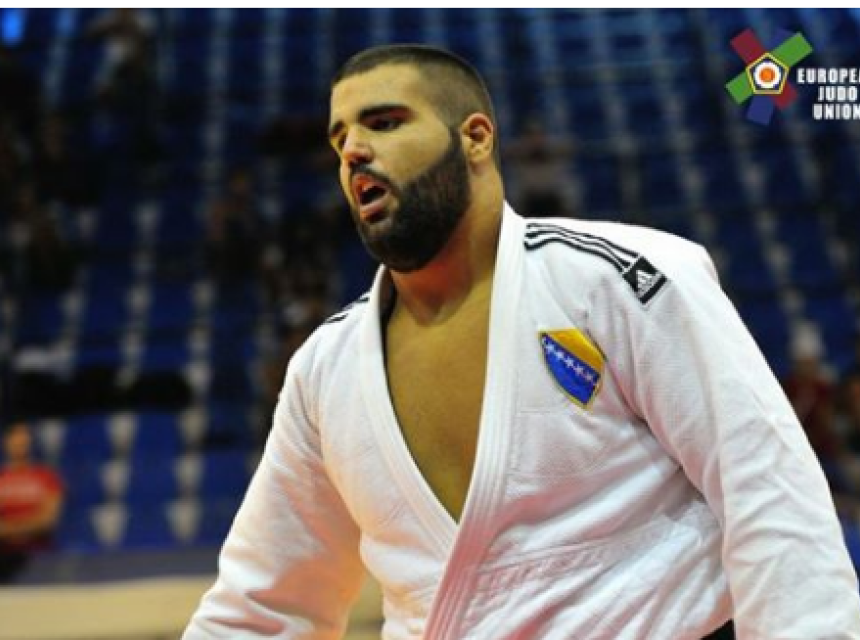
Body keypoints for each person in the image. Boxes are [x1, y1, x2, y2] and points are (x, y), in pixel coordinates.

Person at [183, 44, 860, 639]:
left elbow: (769, 493)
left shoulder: (623, 280)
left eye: (384, 122)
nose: (354, 150)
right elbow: (262, 609)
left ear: (475, 138)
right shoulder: (324, 370)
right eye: (339, 140)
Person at [0, 420, 64, 583]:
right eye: (15, 436)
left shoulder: (47, 477)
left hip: (41, 559)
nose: (21, 441)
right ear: (6, 441)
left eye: (25, 436)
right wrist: (28, 525)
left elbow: (48, 521)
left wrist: (9, 528)